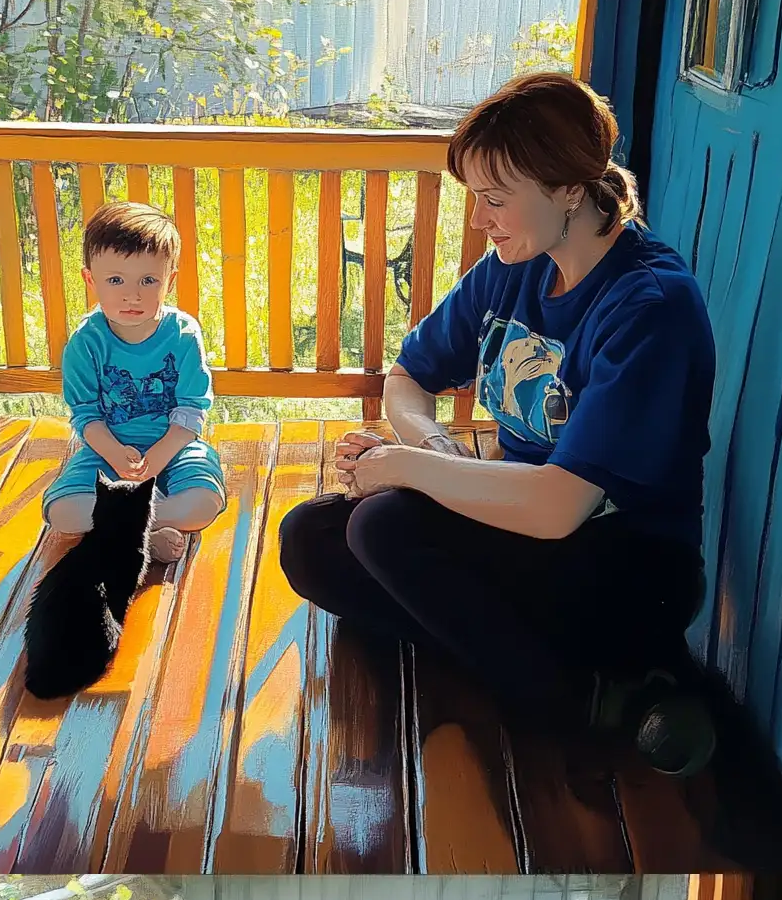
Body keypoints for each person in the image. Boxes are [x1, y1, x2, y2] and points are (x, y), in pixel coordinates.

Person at [277, 70, 719, 777]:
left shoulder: (650, 308)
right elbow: (409, 378)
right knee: (309, 540)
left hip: (627, 566)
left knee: (382, 526)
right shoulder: (515, 265)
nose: (480, 219)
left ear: (569, 189)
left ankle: (583, 700)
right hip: (526, 534)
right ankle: (546, 663)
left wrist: (408, 471)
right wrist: (434, 451)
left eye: (495, 199)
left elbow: (557, 509)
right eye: (475, 198)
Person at [43, 202, 224, 566]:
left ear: (169, 280)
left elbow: (191, 410)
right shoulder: (86, 342)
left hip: (172, 448)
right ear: (90, 280)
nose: (132, 295)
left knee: (204, 502)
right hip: (108, 450)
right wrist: (113, 453)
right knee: (62, 512)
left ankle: (127, 530)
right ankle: (148, 534)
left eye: (148, 280)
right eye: (115, 280)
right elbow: (86, 414)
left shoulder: (183, 335)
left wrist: (157, 458)